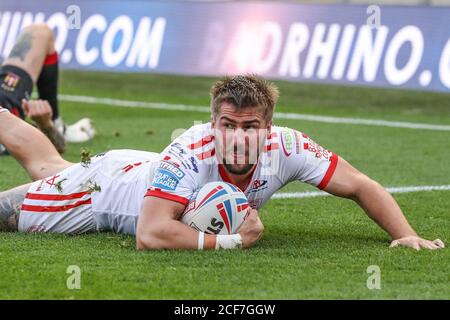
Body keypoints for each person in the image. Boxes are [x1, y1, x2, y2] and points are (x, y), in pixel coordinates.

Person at [0, 75, 445, 251]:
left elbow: (362, 185)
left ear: (268, 129)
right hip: (102, 195)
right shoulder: (191, 150)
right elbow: (149, 235)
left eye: (250, 126)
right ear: (212, 122)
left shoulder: (288, 147)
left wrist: (405, 236)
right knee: (18, 203)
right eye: (227, 124)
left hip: (138, 170)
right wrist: (235, 241)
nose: (237, 136)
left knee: (50, 164)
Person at [0, 23, 95, 155]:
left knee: (39, 32)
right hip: (6, 122)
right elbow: (56, 150)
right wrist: (45, 126)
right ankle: (54, 127)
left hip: (5, 101)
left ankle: (56, 124)